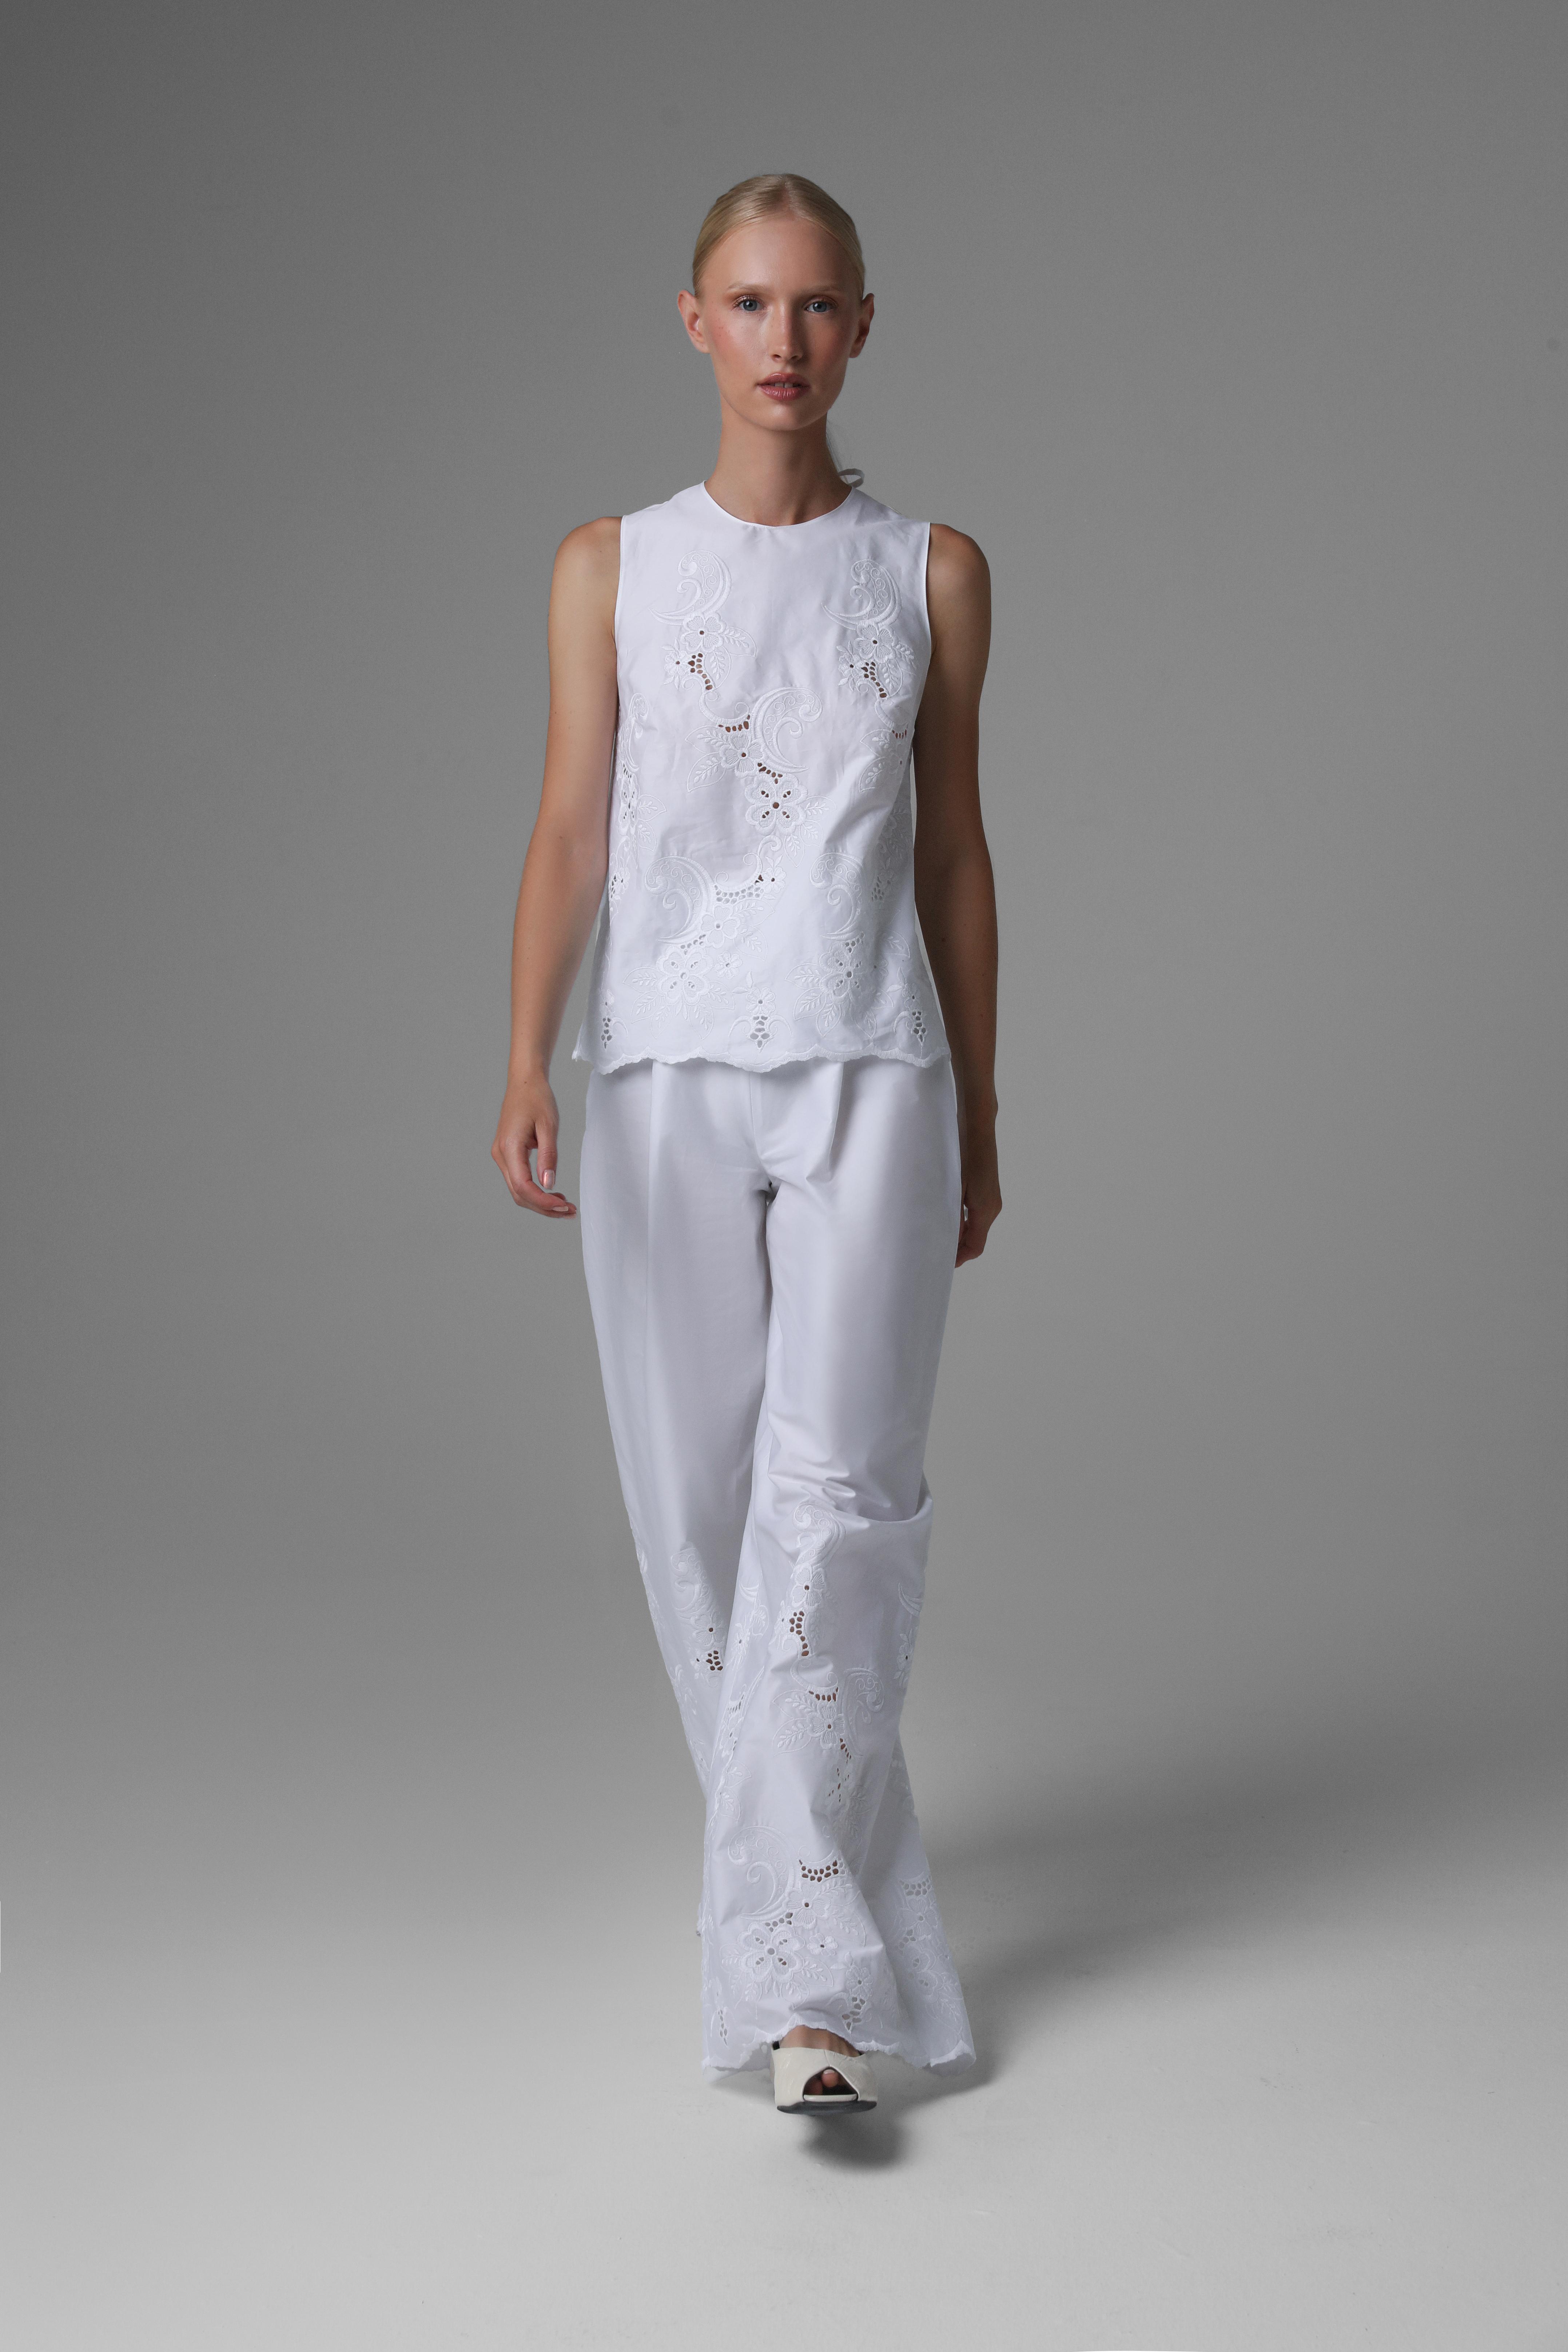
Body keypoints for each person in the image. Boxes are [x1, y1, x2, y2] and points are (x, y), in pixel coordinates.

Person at [491, 173, 1000, 2115]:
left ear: (864, 324)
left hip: (875, 1067)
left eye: (819, 304)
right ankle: (811, 1927)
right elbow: (570, 826)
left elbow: (953, 853)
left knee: (844, 1501)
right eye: (751, 301)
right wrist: (526, 1051)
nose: (785, 338)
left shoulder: (933, 570)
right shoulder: (606, 566)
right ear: (694, 321)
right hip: (660, 1075)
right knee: (701, 1511)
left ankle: (809, 2002)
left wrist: (984, 1101)